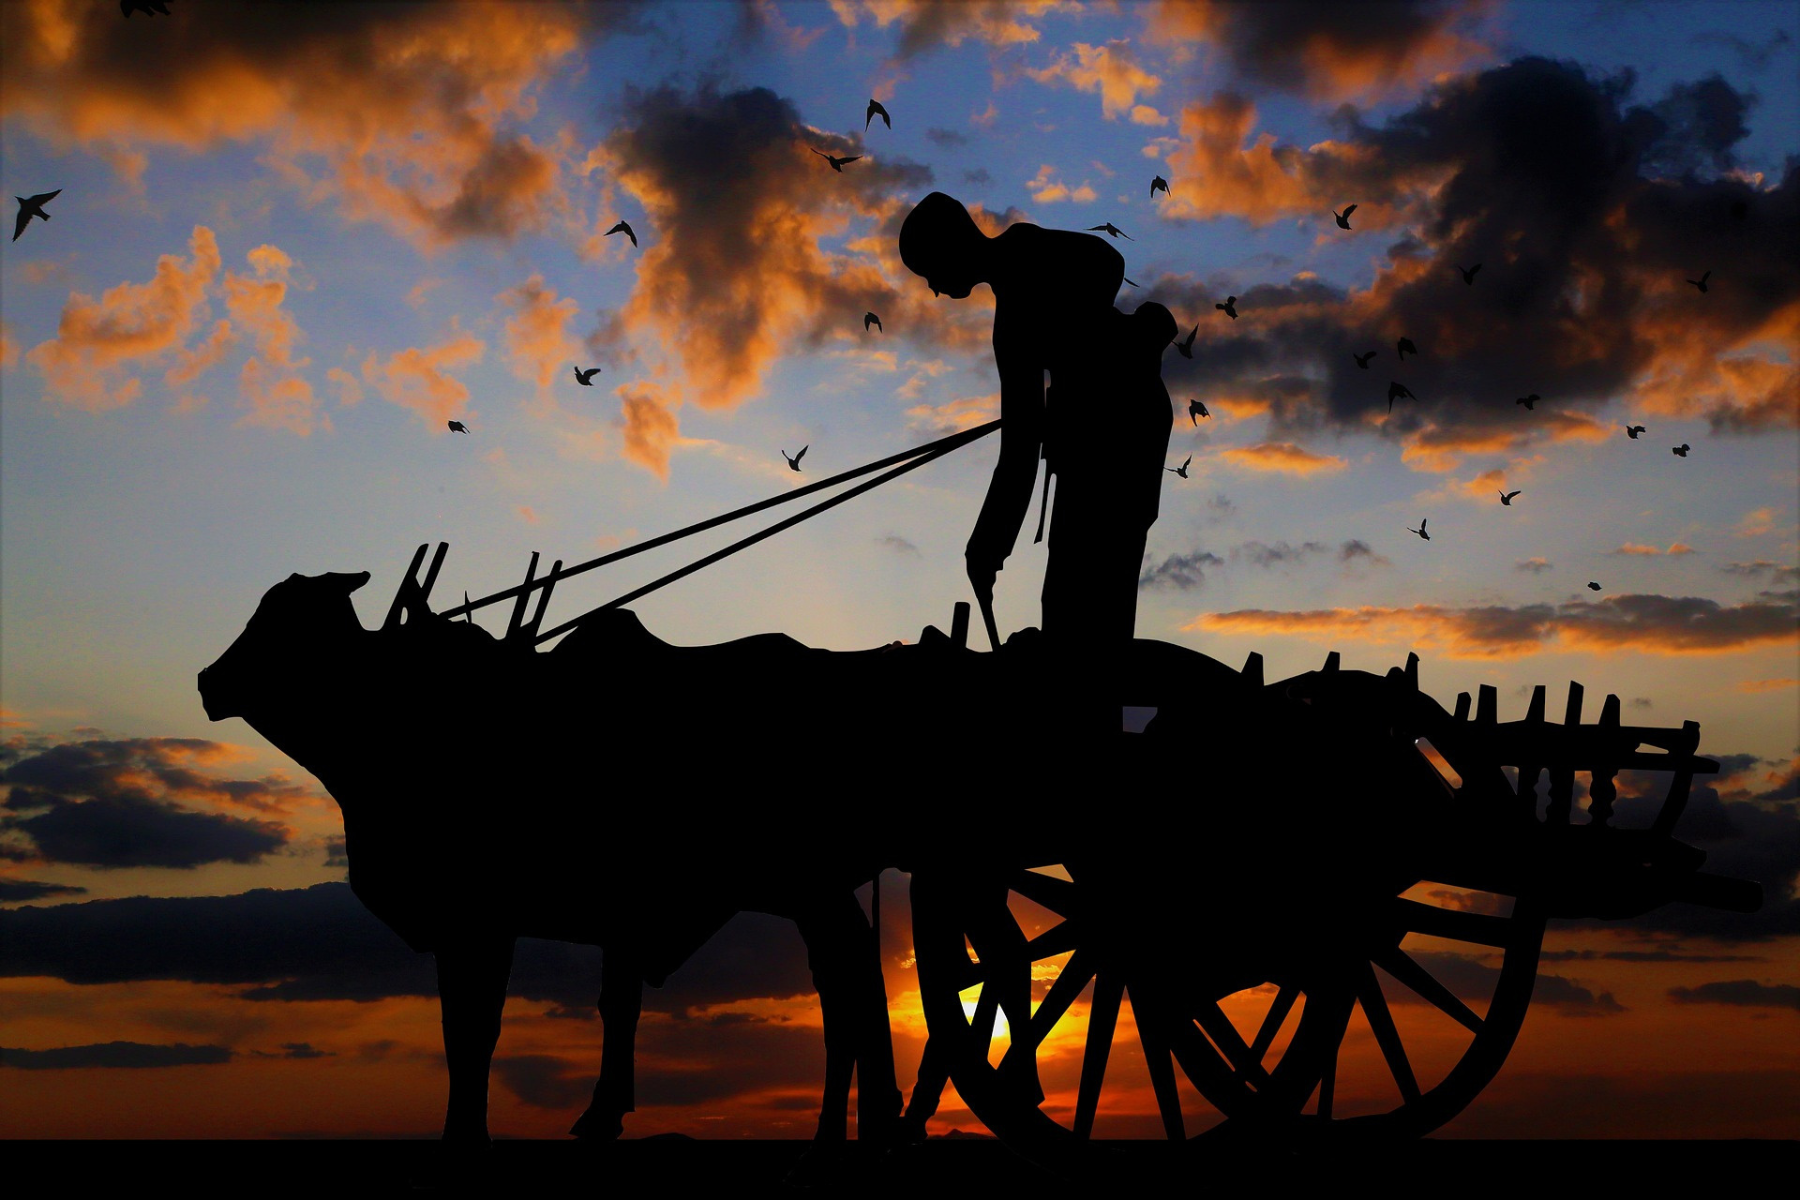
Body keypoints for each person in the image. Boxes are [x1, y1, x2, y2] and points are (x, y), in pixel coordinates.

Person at [899, 192, 1175, 718]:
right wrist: (989, 546)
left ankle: (1094, 721)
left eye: (929, 271)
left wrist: (987, 546)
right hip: (1094, 447)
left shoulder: (1025, 264)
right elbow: (1021, 446)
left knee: (1094, 595)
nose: (933, 289)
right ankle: (1087, 713)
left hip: (1122, 441)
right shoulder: (1013, 328)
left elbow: (1107, 261)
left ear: (951, 247)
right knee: (1073, 602)